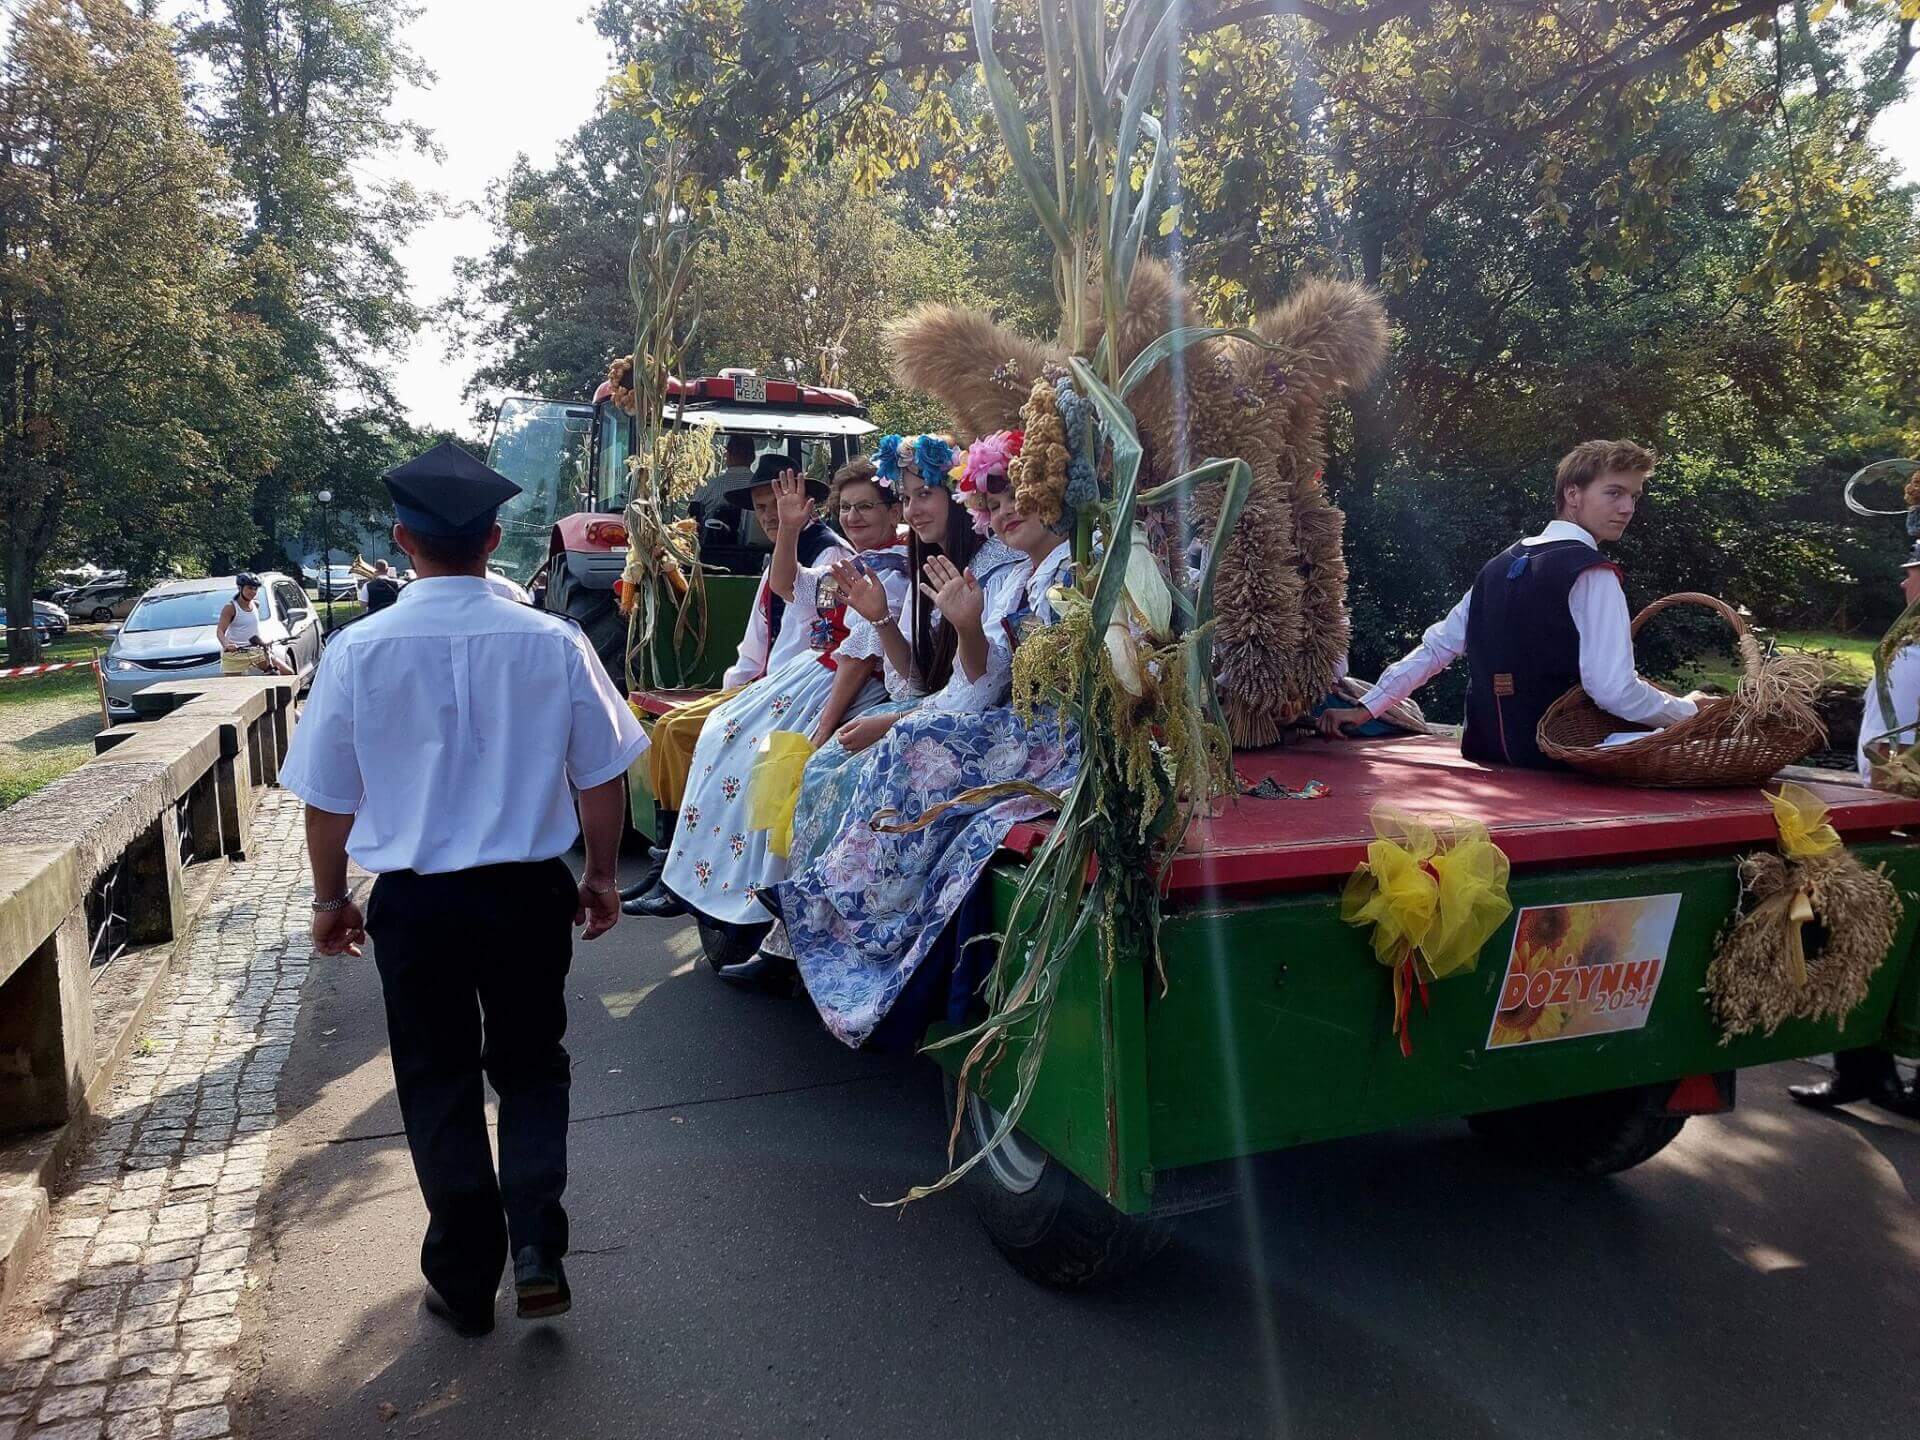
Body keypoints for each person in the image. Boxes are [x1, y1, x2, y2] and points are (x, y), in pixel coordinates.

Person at [279, 440, 647, 1338]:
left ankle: (463, 1271)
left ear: (403, 541)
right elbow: (602, 778)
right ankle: (536, 1248)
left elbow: (328, 802)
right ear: (492, 541)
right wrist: (598, 876)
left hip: (416, 904)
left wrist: (332, 901)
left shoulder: (359, 651)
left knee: (437, 1078)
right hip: (526, 894)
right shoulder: (555, 641)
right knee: (530, 1067)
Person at [761, 432, 1082, 1048]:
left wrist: (902, 712)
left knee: (911, 746)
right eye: (996, 497)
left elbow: (981, 685)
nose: (911, 511)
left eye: (922, 495)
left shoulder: (1042, 568)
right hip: (986, 713)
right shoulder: (985, 567)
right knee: (842, 758)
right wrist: (889, 622)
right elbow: (957, 679)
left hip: (1040, 730)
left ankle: (857, 906)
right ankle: (828, 907)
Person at [1319, 439, 1700, 767]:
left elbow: (1438, 647)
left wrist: (1366, 708)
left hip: (1489, 750)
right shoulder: (1593, 573)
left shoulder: (1499, 565)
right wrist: (1690, 711)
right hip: (1563, 756)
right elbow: (1613, 689)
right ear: (1572, 494)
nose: (1627, 508)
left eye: (1633, 496)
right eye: (1614, 493)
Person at [648, 458, 906, 934]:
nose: (853, 517)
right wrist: (789, 529)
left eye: (866, 506)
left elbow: (860, 657)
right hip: (818, 675)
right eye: (846, 508)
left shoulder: (896, 571)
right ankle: (699, 878)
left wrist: (825, 725)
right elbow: (790, 586)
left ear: (895, 511)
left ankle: (767, 912)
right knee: (723, 734)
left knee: (775, 764)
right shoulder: (853, 567)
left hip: (855, 689)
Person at [621, 451, 850, 916]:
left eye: (779, 505)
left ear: (807, 506)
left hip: (796, 687)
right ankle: (669, 858)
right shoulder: (779, 556)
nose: (770, 516)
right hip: (764, 683)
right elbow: (757, 636)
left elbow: (806, 644)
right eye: (762, 508)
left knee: (683, 733)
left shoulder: (830, 557)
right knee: (669, 729)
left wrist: (750, 694)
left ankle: (680, 864)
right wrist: (734, 688)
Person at [1787, 543, 1920, 1117]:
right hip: (1888, 799)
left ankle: (1866, 1068)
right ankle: (1865, 1070)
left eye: (1912, 574)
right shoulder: (1908, 639)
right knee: (1872, 936)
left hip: (1903, 801)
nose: (1903, 586)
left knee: (1878, 937)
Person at [217, 574, 294, 676]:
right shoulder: (230, 607)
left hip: (255, 651)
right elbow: (220, 631)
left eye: (255, 589)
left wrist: (264, 641)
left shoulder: (255, 604)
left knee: (287, 673)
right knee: (235, 689)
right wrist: (226, 644)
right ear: (240, 588)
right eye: (249, 588)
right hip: (235, 654)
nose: (253, 592)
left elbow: (251, 629)